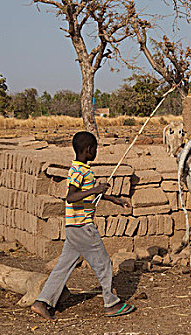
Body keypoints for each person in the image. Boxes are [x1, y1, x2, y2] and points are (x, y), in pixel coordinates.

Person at [31, 131, 134, 321]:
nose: (96, 152)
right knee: (104, 264)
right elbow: (71, 196)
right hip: (82, 226)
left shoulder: (80, 169)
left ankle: (42, 301)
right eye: (95, 149)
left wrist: (115, 200)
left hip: (73, 227)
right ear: (88, 150)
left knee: (63, 266)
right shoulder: (80, 171)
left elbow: (91, 194)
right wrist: (95, 189)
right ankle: (111, 303)